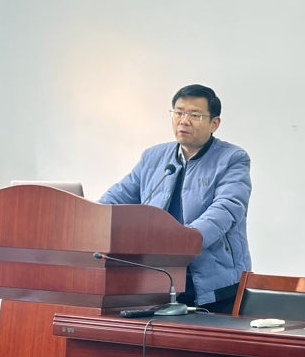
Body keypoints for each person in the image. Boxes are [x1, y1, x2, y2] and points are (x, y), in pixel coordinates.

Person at [100, 84, 251, 313]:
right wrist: (90, 216)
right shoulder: (154, 157)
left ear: (214, 124)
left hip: (213, 283)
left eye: (195, 115)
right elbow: (118, 197)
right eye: (179, 113)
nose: (184, 121)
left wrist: (185, 240)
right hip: (158, 278)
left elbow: (227, 208)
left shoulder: (232, 159)